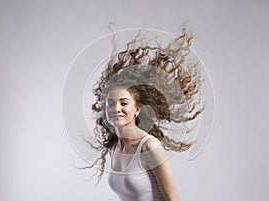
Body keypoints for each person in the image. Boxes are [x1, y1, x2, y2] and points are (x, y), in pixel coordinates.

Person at [86, 26, 203, 201]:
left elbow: (173, 199)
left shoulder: (149, 147)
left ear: (137, 109)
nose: (116, 108)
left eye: (124, 103)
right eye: (110, 104)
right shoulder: (115, 147)